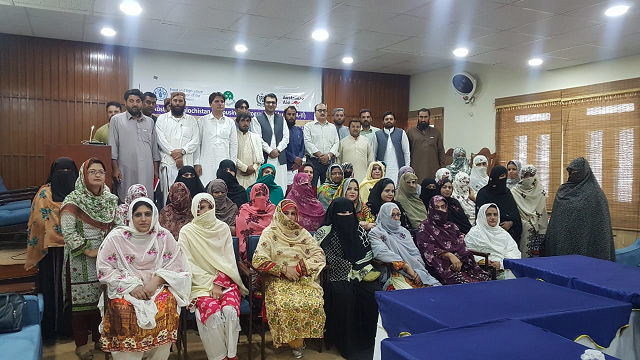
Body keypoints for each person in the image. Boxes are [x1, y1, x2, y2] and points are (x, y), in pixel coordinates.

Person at [97, 197, 191, 360]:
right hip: (125, 288)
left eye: (147, 214)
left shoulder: (163, 236)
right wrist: (131, 286)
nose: (143, 219)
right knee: (121, 309)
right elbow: (104, 269)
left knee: (167, 305)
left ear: (154, 215)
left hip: (158, 287)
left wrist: (156, 281)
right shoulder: (116, 238)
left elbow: (177, 265)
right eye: (138, 214)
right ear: (130, 217)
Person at [60, 158, 119, 359]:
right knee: (82, 307)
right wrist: (89, 251)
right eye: (92, 171)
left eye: (101, 172)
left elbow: (118, 225)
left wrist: (110, 249)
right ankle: (81, 345)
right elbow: (67, 232)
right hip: (81, 260)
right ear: (84, 175)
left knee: (102, 303)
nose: (97, 175)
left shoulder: (110, 199)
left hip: (107, 258)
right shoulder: (73, 200)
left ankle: (100, 340)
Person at [252, 199, 326, 357]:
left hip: (302, 278)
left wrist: (300, 268)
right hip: (277, 279)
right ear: (279, 214)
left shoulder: (302, 233)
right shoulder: (270, 233)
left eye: (293, 213)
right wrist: (284, 269)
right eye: (286, 213)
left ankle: (299, 341)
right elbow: (258, 260)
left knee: (313, 302)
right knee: (285, 303)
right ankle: (294, 342)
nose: (290, 217)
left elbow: (319, 254)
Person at [179, 193, 248, 360]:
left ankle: (231, 354)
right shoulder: (187, 232)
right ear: (195, 210)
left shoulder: (222, 228)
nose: (207, 211)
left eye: (210, 207)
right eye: (202, 208)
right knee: (213, 314)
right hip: (199, 285)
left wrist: (218, 283)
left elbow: (229, 261)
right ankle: (219, 356)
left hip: (224, 282)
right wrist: (210, 285)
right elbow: (187, 265)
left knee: (230, 311)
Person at [314, 197, 380, 359]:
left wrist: (356, 268)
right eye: (342, 213)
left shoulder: (358, 230)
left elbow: (366, 253)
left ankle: (370, 342)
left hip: (360, 271)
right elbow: (322, 256)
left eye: (350, 212)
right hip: (334, 274)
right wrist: (347, 267)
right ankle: (344, 343)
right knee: (345, 296)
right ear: (334, 214)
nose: (347, 216)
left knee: (373, 293)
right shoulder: (325, 232)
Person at [25, 157, 78, 343]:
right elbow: (37, 221)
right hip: (50, 252)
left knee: (75, 291)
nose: (65, 177)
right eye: (60, 173)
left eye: (68, 172)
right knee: (52, 289)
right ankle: (51, 329)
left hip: (77, 250)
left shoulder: (81, 193)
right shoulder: (44, 194)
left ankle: (74, 329)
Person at [545, 157, 615, 261]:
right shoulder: (563, 190)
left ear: (585, 172)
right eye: (571, 170)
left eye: (577, 171)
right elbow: (556, 220)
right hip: (564, 240)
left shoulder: (595, 193)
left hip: (586, 241)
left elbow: (601, 226)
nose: (574, 173)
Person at [416, 196, 490, 285]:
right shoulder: (425, 227)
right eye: (437, 207)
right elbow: (426, 248)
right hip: (442, 268)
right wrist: (449, 255)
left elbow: (462, 247)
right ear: (431, 209)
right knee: (465, 283)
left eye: (443, 207)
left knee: (485, 279)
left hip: (461, 265)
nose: (440, 210)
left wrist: (461, 261)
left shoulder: (452, 227)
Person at [369, 202, 441, 290]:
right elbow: (381, 253)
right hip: (394, 272)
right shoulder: (376, 233)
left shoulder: (404, 232)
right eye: (392, 215)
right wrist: (406, 267)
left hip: (415, 271)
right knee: (409, 294)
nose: (396, 218)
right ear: (384, 216)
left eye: (398, 215)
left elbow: (415, 253)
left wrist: (417, 272)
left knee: (437, 288)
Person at [110, 89, 160, 203]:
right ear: (126, 102)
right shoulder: (116, 120)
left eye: (138, 101)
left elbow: (154, 149)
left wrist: (155, 171)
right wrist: (115, 169)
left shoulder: (150, 122)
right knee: (126, 198)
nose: (135, 104)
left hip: (147, 169)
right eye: (131, 101)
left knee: (146, 199)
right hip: (125, 168)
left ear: (141, 103)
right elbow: (113, 147)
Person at [155, 91, 200, 205]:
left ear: (185, 103)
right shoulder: (162, 119)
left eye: (180, 101)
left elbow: (195, 140)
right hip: (168, 164)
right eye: (175, 101)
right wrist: (175, 155)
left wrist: (182, 151)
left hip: (187, 166)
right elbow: (161, 140)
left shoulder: (191, 120)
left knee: (188, 196)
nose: (178, 103)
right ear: (171, 102)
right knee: (169, 195)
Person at [465, 203, 521, 276]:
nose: (492, 217)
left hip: (503, 268)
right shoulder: (474, 233)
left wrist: (501, 264)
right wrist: (484, 261)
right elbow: (467, 253)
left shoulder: (503, 233)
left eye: (495, 214)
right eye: (488, 215)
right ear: (482, 216)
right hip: (481, 269)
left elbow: (513, 251)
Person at [195, 92, 238, 186]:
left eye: (222, 101)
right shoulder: (202, 121)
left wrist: (232, 165)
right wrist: (197, 163)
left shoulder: (230, 123)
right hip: (206, 162)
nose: (220, 104)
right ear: (210, 104)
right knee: (206, 187)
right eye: (217, 101)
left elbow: (233, 145)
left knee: (222, 189)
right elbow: (197, 143)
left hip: (225, 163)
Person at [475, 165, 523, 244]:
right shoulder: (483, 194)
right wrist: (495, 227)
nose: (503, 179)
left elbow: (515, 215)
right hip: (488, 233)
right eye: (501, 176)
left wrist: (510, 223)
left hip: (508, 233)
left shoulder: (506, 193)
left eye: (505, 176)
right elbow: (480, 217)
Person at [252, 93, 289, 190]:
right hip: (265, 157)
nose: (271, 104)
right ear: (264, 104)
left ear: (276, 104)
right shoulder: (257, 119)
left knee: (281, 185)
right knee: (264, 187)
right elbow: (258, 138)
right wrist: (270, 151)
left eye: (273, 102)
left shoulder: (282, 119)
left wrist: (278, 150)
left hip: (280, 157)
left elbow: (286, 138)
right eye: (268, 102)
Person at [511, 165, 548, 258]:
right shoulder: (514, 192)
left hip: (539, 227)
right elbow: (514, 212)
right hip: (522, 227)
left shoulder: (540, 191)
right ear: (521, 177)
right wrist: (526, 224)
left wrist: (534, 221)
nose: (528, 178)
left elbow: (541, 211)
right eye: (525, 176)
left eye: (530, 175)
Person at [236, 183, 276, 261]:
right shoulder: (244, 210)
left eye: (263, 194)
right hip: (249, 252)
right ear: (252, 195)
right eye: (258, 195)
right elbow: (241, 233)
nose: (261, 197)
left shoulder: (273, 209)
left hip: (272, 250)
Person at [304, 103, 340, 186]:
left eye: (324, 111)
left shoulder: (332, 127)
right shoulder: (308, 126)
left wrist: (328, 156)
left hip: (328, 162)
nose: (322, 113)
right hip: (313, 162)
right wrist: (320, 155)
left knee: (328, 188)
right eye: (320, 111)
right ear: (315, 113)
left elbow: (336, 142)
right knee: (311, 186)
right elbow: (308, 142)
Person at [406, 108, 445, 181]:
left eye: (425, 117)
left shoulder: (436, 132)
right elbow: (406, 152)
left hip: (433, 169)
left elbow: (441, 151)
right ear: (418, 117)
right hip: (415, 168)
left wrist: (442, 168)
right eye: (421, 117)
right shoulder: (410, 132)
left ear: (429, 117)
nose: (423, 120)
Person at [372, 111, 410, 185]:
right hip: (382, 170)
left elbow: (406, 152)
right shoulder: (377, 134)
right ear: (383, 121)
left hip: (398, 169)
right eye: (386, 119)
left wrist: (407, 168)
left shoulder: (401, 133)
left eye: (391, 119)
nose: (389, 120)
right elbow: (373, 153)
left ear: (394, 121)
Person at [235, 110, 263, 188]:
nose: (245, 123)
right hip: (238, 174)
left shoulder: (256, 137)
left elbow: (260, 158)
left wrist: (253, 168)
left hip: (253, 175)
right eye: (243, 120)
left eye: (247, 121)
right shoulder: (233, 137)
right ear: (237, 122)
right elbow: (232, 156)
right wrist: (245, 168)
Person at [285, 106, 305, 187]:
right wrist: (294, 158)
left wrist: (298, 161)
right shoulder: (281, 130)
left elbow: (303, 147)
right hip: (285, 167)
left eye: (293, 114)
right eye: (289, 114)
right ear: (284, 115)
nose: (291, 117)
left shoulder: (299, 130)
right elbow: (282, 148)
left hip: (297, 168)